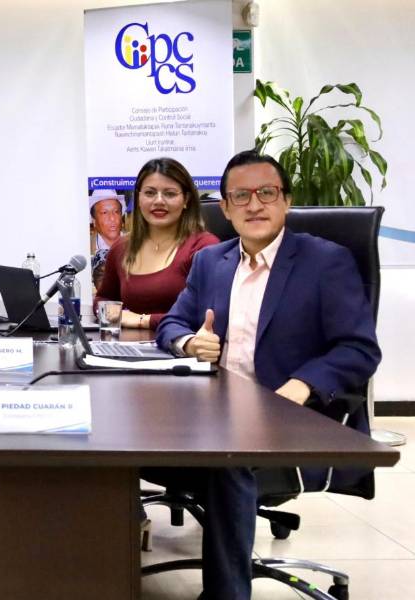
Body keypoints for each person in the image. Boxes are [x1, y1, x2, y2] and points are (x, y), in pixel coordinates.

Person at [152, 150, 382, 600]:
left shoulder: (325, 262)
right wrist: (190, 342)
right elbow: (172, 324)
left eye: (266, 192)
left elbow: (359, 348)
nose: (254, 204)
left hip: (296, 420)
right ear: (225, 207)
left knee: (227, 459)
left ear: (286, 201)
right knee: (122, 445)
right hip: (214, 415)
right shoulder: (210, 262)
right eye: (240, 196)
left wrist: (301, 386)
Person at [95, 158, 219, 329]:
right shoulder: (121, 247)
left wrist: (143, 320)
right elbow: (103, 299)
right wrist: (112, 314)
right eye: (150, 193)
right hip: (127, 344)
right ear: (138, 198)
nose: (159, 201)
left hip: (183, 344)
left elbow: (207, 314)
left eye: (170, 194)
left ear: (186, 199)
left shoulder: (204, 247)